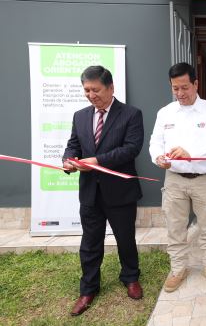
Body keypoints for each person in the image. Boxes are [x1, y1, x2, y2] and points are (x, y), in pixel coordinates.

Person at [63, 66, 144, 316]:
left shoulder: (131, 114)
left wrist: (95, 162)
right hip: (90, 193)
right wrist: (69, 160)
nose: (91, 95)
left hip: (120, 192)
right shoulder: (80, 116)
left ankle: (130, 277)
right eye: (86, 90)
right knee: (90, 243)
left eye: (95, 90)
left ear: (110, 88)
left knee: (125, 239)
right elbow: (73, 144)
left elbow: (131, 149)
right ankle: (88, 288)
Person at [149, 62, 206, 292]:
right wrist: (157, 158)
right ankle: (178, 269)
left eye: (185, 87)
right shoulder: (165, 113)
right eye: (175, 89)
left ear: (195, 83)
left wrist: (192, 155)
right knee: (175, 227)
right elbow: (155, 142)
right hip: (174, 180)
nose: (180, 93)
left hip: (205, 179)